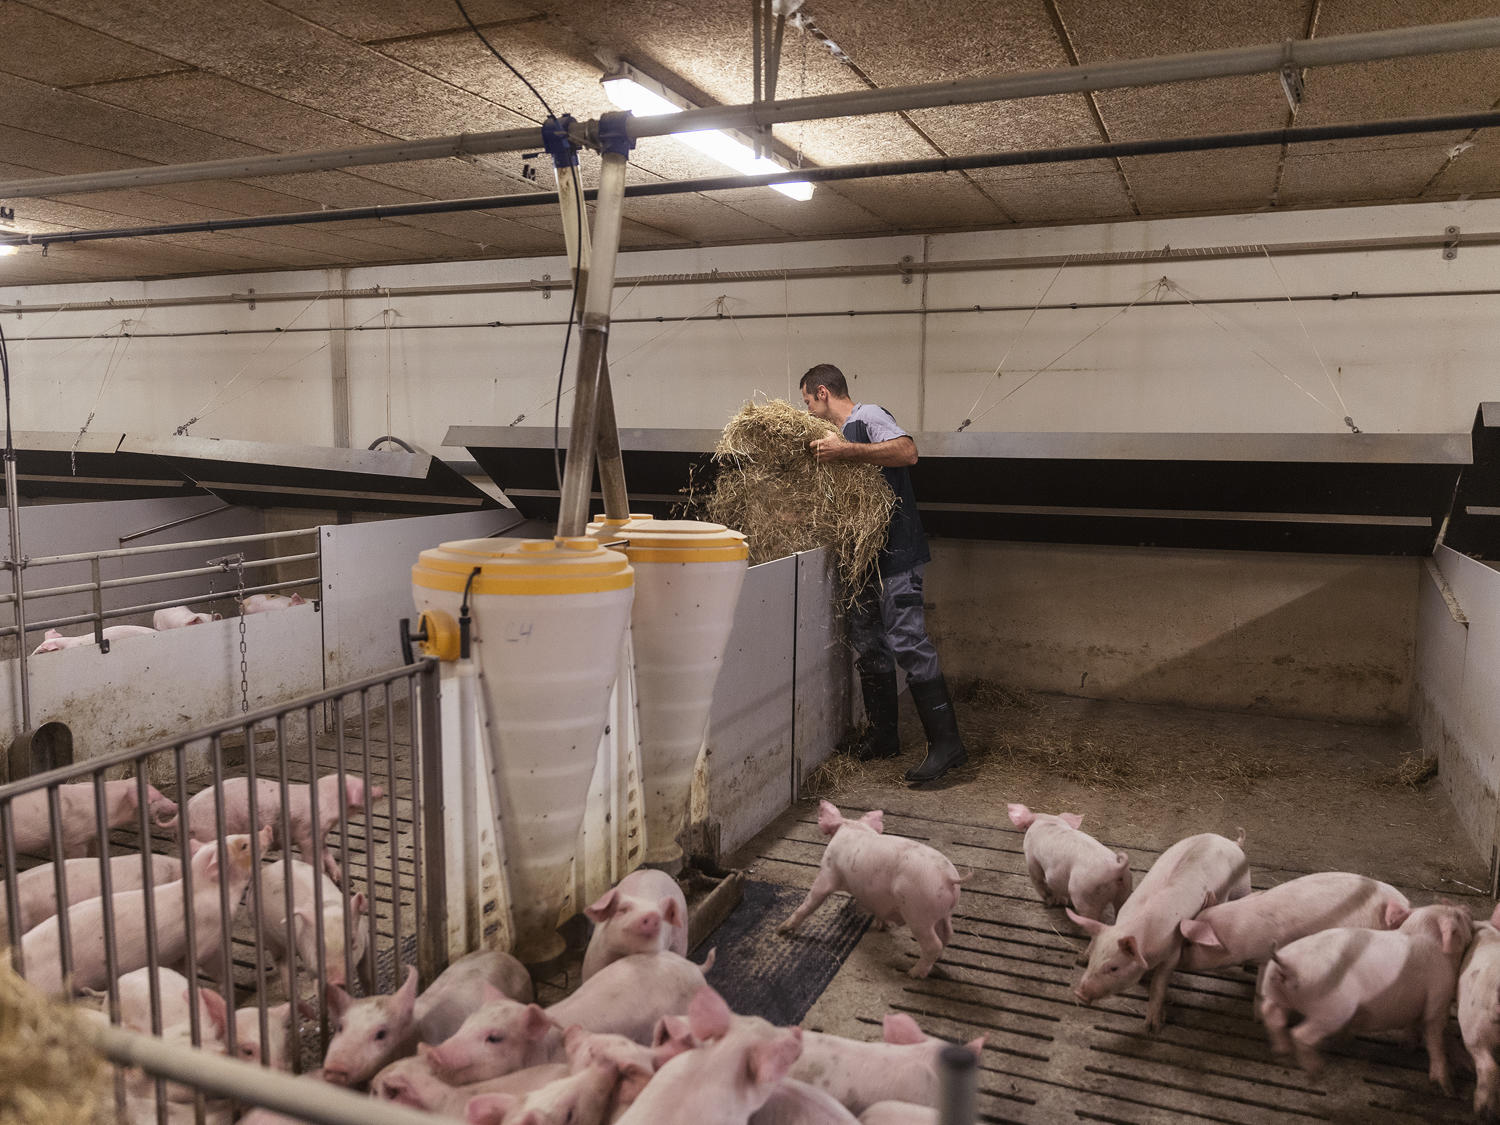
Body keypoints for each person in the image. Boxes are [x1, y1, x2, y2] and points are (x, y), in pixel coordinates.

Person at [799, 363, 968, 784]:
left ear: (822, 392)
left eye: (807, 401)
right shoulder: (833, 437)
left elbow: (908, 452)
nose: (807, 410)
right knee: (869, 643)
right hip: (863, 558)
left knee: (908, 639)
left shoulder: (868, 417)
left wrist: (846, 451)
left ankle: (948, 745)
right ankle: (883, 736)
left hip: (896, 553)